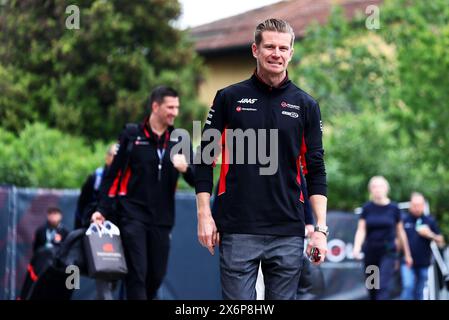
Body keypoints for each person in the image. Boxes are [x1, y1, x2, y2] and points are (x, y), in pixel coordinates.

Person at [195, 18, 328, 300]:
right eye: (269, 46)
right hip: (237, 227)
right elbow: (204, 159)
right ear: (255, 50)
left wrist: (321, 230)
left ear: (291, 53)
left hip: (288, 230)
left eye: (283, 48)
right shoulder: (228, 98)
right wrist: (204, 215)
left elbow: (316, 171)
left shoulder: (307, 106)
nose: (276, 53)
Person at [91, 85, 195, 300]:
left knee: (155, 276)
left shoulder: (179, 139)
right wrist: (101, 208)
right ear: (155, 106)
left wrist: (186, 169)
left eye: (177, 107)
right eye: (170, 107)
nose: (175, 112)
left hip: (163, 219)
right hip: (132, 216)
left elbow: (198, 180)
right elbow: (112, 175)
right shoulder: (132, 135)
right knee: (137, 274)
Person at [353, 176, 413, 300]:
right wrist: (357, 247)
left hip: (388, 251)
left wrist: (407, 254)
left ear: (386, 189)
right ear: (370, 190)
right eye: (374, 186)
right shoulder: (367, 208)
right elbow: (361, 230)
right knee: (373, 288)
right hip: (371, 252)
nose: (377, 189)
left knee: (383, 286)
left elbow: (401, 232)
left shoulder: (394, 208)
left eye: (380, 186)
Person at [400, 192, 445, 300]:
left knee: (420, 291)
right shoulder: (403, 220)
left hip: (423, 263)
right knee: (408, 286)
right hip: (407, 261)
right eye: (414, 205)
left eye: (419, 205)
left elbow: (441, 242)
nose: (417, 208)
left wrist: (429, 234)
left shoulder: (429, 220)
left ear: (423, 205)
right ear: (410, 205)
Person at [20, 207, 69, 299]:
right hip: (41, 267)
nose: (53, 216)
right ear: (47, 215)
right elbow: (36, 249)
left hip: (58, 268)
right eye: (51, 213)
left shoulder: (65, 232)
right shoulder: (41, 231)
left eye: (56, 213)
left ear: (60, 216)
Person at [74, 144, 117, 229]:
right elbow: (82, 203)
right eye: (114, 155)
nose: (118, 159)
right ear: (107, 157)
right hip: (94, 224)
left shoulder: (128, 179)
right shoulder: (97, 177)